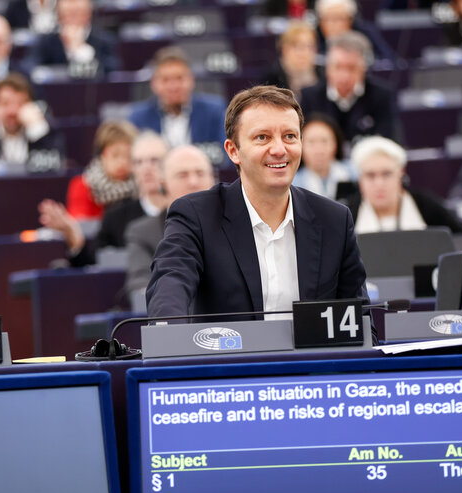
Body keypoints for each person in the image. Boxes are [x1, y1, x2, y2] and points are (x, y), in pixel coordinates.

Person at [146, 85, 370, 321]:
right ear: (233, 151)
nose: (279, 149)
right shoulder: (196, 215)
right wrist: (167, 334)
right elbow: (170, 281)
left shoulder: (334, 220)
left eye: (290, 136)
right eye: (262, 137)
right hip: (231, 358)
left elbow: (362, 323)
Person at [38, 132, 168, 267]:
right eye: (138, 162)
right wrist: (74, 238)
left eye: (155, 160)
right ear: (133, 168)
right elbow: (95, 268)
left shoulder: (184, 211)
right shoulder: (115, 218)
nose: (146, 168)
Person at [124, 145, 216, 296]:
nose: (193, 182)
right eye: (182, 175)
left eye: (200, 173)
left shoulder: (233, 223)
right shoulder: (142, 232)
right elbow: (140, 284)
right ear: (163, 183)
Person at [128, 46, 227, 163]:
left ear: (191, 80)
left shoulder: (215, 111)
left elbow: (226, 157)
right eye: (165, 80)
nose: (173, 86)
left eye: (179, 78)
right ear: (154, 83)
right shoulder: (138, 117)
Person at [348, 136, 462, 234]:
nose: (379, 183)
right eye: (370, 175)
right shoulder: (348, 214)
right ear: (360, 179)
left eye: (386, 174)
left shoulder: (426, 205)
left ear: (401, 173)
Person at [300, 31, 397, 144]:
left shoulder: (382, 96)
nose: (344, 76)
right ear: (328, 68)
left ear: (364, 69)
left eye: (352, 68)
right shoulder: (309, 97)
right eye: (338, 67)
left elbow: (388, 142)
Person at [63, 120, 139, 219]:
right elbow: (80, 226)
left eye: (128, 156)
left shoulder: (141, 186)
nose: (122, 162)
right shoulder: (83, 185)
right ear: (102, 155)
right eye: (115, 155)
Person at [25, 0, 121, 75]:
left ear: (88, 14)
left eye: (77, 13)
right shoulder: (46, 41)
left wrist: (83, 51)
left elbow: (114, 68)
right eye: (67, 14)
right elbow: (29, 66)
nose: (72, 20)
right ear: (58, 16)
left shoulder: (103, 39)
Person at [293, 113, 356, 200]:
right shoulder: (293, 184)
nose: (319, 149)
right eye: (311, 142)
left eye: (324, 141)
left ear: (336, 143)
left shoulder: (354, 174)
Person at [314, 0, 396, 61]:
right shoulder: (313, 36)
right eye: (327, 18)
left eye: (339, 18)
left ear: (350, 20)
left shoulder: (365, 33)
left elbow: (388, 59)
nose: (333, 24)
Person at [261, 21, 320, 99]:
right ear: (284, 49)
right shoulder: (271, 79)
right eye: (298, 47)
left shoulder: (322, 74)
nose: (304, 53)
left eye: (309, 46)